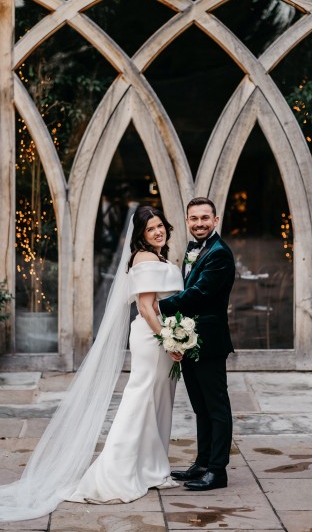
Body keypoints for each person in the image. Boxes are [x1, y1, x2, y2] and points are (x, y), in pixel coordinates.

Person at [0, 206, 183, 521]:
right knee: (140, 400)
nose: (157, 232)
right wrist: (168, 339)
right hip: (153, 339)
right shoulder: (145, 259)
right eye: (151, 228)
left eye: (160, 226)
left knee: (158, 401)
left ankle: (152, 468)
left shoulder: (159, 257)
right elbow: (146, 307)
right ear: (140, 234)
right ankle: (115, 473)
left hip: (163, 336)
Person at [158, 197, 235, 491]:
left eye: (205, 218)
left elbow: (199, 294)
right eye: (194, 218)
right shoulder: (193, 249)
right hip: (189, 339)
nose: (199, 223)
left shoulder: (219, 254)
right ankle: (202, 463)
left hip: (210, 341)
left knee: (216, 407)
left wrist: (157, 307)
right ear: (187, 221)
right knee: (200, 407)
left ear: (215, 221)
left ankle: (217, 471)